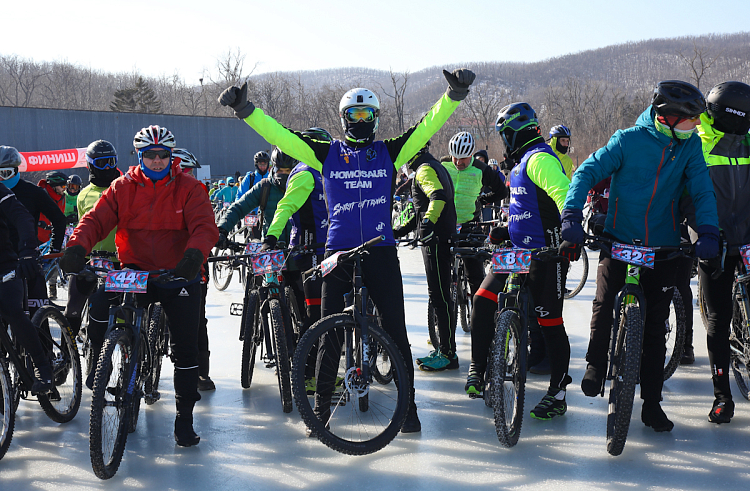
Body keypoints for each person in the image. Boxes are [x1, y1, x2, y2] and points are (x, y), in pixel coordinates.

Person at [219, 67, 476, 433]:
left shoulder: (390, 151)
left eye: (367, 115)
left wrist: (453, 96)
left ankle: (409, 410)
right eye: (353, 115)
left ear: (375, 119)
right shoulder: (326, 153)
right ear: (343, 120)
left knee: (396, 332)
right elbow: (282, 136)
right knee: (328, 334)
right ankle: (322, 410)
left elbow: (426, 127)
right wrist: (246, 110)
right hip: (336, 254)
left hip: (380, 250)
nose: (360, 121)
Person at [562, 80, 719, 432]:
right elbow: (587, 172)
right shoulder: (628, 140)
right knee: (603, 302)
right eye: (690, 120)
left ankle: (651, 403)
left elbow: (702, 190)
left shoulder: (690, 147)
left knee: (653, 327)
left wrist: (708, 231)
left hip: (661, 246)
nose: (696, 126)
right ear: (667, 118)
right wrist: (571, 214)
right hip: (619, 238)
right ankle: (595, 364)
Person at [60, 125, 219, 447]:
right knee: (106, 306)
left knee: (186, 348)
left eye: (163, 155)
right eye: (150, 155)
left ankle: (184, 418)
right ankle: (117, 359)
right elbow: (96, 219)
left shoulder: (189, 188)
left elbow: (204, 225)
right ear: (140, 156)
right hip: (136, 270)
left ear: (171, 157)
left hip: (179, 272)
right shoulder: (123, 187)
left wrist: (193, 255)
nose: (157, 161)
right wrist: (77, 247)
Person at [467, 103, 574, 421]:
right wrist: (505, 228)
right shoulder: (518, 165)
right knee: (483, 298)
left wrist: (570, 229)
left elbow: (563, 192)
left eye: (503, 135)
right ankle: (479, 370)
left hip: (546, 252)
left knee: (550, 322)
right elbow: (526, 207)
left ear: (513, 133)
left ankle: (558, 393)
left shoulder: (540, 158)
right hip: (517, 250)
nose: (502, 141)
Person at [694, 81, 750, 424]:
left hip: (717, 243)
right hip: (740, 239)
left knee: (718, 318)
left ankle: (722, 399)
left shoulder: (699, 143)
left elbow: (685, 195)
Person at [393, 142, 458, 371]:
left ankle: (448, 354)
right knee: (439, 296)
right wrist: (399, 231)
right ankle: (445, 348)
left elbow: (438, 197)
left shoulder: (424, 170)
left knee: (440, 297)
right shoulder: (434, 165)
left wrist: (429, 225)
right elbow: (421, 211)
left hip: (437, 241)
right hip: (438, 238)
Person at [0, 146, 55, 394]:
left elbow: (22, 218)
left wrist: (27, 250)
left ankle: (43, 365)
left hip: (7, 263)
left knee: (11, 309)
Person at [63, 140, 121, 334]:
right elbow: (83, 227)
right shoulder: (83, 195)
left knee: (118, 314)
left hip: (118, 262)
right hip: (91, 260)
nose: (107, 168)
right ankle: (67, 357)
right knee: (71, 310)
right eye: (101, 163)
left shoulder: (123, 189)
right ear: (89, 165)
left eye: (111, 162)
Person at [442, 131, 507, 299]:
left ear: (471, 155)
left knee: (475, 274)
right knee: (441, 271)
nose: (458, 162)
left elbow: (501, 191)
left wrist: (482, 200)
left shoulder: (481, 169)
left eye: (463, 158)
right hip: (446, 223)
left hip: (470, 224)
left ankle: (477, 313)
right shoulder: (443, 164)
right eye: (454, 157)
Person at [174, 148, 215, 391]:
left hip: (194, 261)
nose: (188, 175)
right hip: (159, 261)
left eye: (190, 171)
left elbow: (206, 226)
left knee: (198, 319)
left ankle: (202, 372)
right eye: (184, 170)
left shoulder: (199, 191)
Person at [0, 160, 66, 314]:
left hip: (27, 259)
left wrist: (54, 248)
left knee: (35, 318)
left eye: (5, 173)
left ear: (16, 171)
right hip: (4, 261)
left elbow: (59, 219)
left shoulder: (32, 192)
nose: (2, 179)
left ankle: (40, 337)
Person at [38, 170, 69, 299]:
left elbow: (59, 217)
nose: (64, 189)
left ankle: (51, 289)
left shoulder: (62, 198)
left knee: (54, 259)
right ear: (54, 185)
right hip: (37, 234)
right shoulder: (40, 194)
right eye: (62, 186)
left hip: (51, 235)